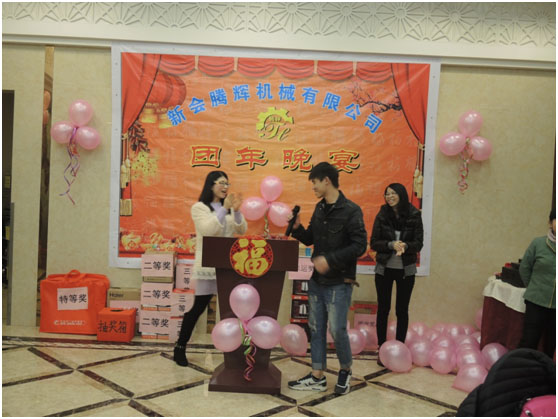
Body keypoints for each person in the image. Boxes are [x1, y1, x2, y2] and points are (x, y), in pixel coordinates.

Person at [287, 162, 368, 395]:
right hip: (317, 281)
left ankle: (345, 370)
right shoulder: (319, 208)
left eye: (314, 182)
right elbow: (310, 238)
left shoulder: (351, 210)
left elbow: (360, 245)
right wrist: (297, 228)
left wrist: (330, 260)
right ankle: (317, 375)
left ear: (326, 181)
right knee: (316, 328)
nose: (313, 187)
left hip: (340, 282)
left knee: (338, 329)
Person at [174, 171, 247, 367]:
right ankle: (180, 346)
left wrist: (236, 211)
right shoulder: (199, 207)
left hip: (228, 265)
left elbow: (241, 230)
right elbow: (208, 230)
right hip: (208, 266)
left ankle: (234, 352)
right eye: (221, 183)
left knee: (232, 310)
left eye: (227, 183)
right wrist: (224, 209)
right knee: (199, 307)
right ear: (211, 185)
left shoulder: (229, 208)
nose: (225, 187)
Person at [370, 183, 423, 366]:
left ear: (401, 194)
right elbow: (374, 242)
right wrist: (391, 245)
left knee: (402, 310)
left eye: (393, 193)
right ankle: (381, 347)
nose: (389, 197)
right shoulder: (382, 214)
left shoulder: (414, 215)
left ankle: (400, 347)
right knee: (383, 309)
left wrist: (406, 246)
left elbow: (419, 243)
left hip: (406, 270)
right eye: (387, 194)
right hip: (384, 269)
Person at [517, 209, 556, 358]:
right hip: (536, 301)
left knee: (552, 344)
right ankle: (521, 369)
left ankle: (546, 371)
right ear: (550, 223)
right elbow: (524, 268)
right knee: (529, 341)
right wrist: (534, 286)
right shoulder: (538, 243)